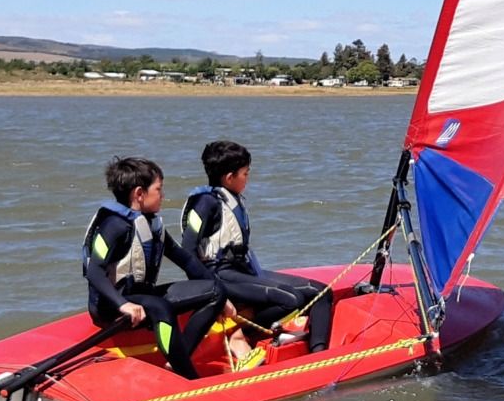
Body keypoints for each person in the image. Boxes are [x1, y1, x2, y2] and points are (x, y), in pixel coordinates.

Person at [83, 156, 232, 380]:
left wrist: (223, 296)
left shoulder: (150, 223)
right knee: (160, 307)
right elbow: (94, 271)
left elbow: (185, 259)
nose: (163, 195)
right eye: (159, 189)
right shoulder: (113, 226)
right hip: (112, 305)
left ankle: (178, 359)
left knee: (215, 291)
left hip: (142, 296)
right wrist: (123, 305)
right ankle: (188, 376)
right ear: (139, 194)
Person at [181, 140, 332, 356]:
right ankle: (237, 332)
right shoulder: (205, 204)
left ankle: (320, 354)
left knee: (321, 293)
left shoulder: (231, 198)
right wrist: (212, 294)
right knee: (292, 300)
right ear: (229, 177)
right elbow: (187, 251)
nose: (248, 179)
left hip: (244, 270)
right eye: (245, 174)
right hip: (221, 275)